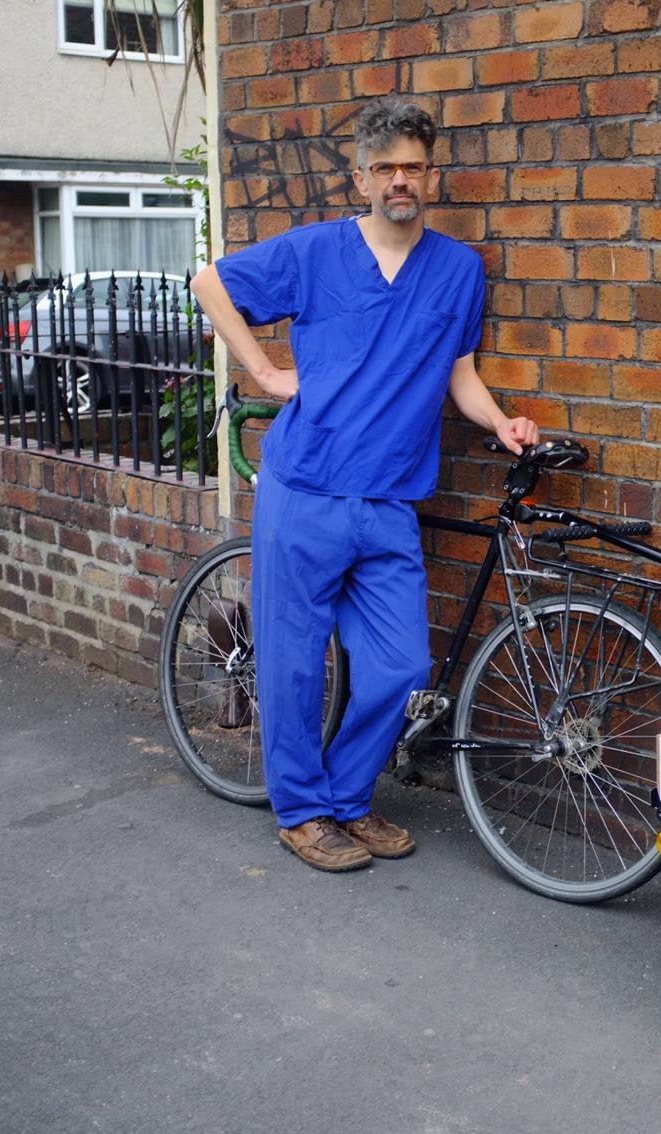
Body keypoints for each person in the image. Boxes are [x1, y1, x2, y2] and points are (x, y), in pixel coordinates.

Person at [190, 99, 538, 873]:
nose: (400, 180)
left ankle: (347, 797)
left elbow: (460, 374)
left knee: (401, 665)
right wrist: (264, 370)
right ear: (360, 178)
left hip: (388, 500)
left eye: (413, 166)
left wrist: (501, 422)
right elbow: (208, 282)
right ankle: (304, 812)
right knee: (290, 660)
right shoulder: (314, 253)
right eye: (385, 168)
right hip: (305, 488)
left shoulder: (456, 270)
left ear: (432, 174)